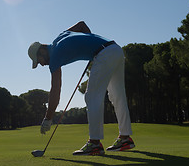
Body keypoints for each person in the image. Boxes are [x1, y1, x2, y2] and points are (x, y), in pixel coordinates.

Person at [28, 21, 135, 155]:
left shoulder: (54, 57)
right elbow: (81, 25)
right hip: (115, 49)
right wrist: (90, 45)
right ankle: (125, 138)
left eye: (39, 61)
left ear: (42, 51)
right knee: (117, 95)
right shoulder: (60, 36)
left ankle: (94, 144)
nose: (41, 64)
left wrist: (48, 118)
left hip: (104, 53)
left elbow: (55, 90)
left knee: (91, 96)